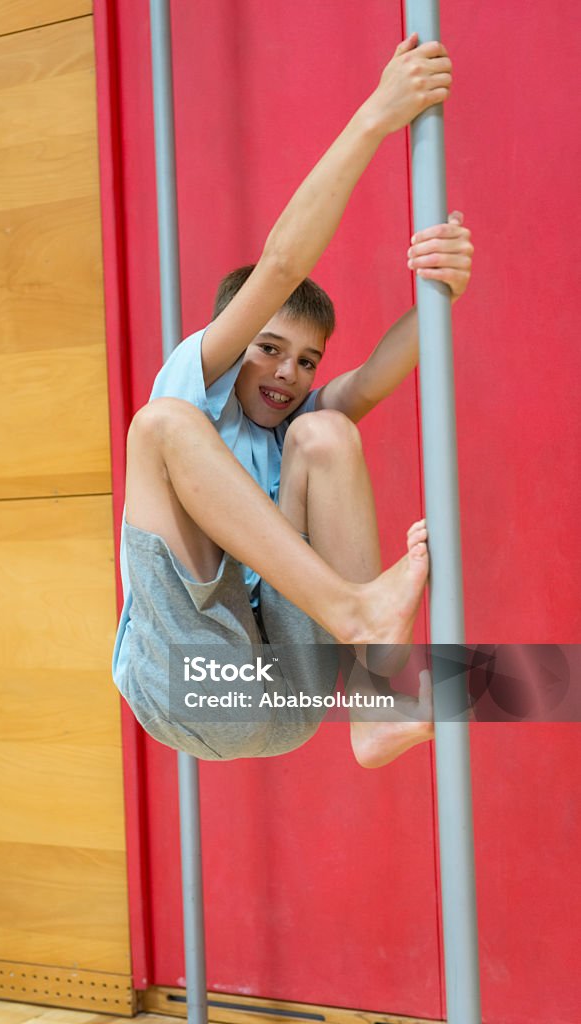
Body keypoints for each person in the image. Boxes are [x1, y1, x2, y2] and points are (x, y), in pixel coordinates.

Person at [112, 33, 474, 766]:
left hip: (281, 696)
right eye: (267, 348)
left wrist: (443, 289)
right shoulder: (197, 384)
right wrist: (375, 114)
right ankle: (355, 613)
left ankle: (375, 708)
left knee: (331, 433)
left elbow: (375, 372)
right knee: (158, 427)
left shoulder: (296, 426)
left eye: (305, 360)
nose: (285, 372)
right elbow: (279, 267)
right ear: (231, 341)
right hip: (186, 684)